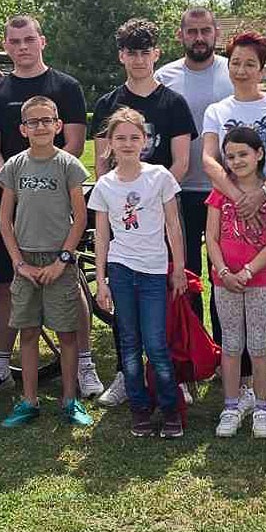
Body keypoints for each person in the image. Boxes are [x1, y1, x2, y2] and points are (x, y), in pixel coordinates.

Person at [0, 16, 89, 399]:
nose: (22, 47)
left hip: (57, 201)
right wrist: (15, 184)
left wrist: (49, 182)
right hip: (8, 198)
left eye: (28, 39)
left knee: (71, 282)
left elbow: (74, 143)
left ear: (42, 41)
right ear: (5, 46)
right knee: (7, 282)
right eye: (14, 41)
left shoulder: (66, 87)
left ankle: (84, 364)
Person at [90, 18, 197, 407]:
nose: (138, 59)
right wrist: (117, 198)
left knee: (177, 290)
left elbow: (181, 161)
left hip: (163, 210)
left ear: (156, 54)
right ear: (121, 56)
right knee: (125, 299)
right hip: (122, 217)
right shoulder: (107, 105)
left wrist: (152, 196)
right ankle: (126, 372)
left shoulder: (173, 103)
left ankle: (180, 373)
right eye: (131, 52)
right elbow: (101, 163)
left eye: (144, 52)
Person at [200, 31, 266, 427]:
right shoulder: (217, 110)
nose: (241, 70)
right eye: (235, 63)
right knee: (228, 313)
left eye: (250, 64)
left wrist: (264, 194)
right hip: (229, 213)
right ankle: (239, 391)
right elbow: (210, 160)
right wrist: (240, 199)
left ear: (262, 68)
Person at [89, 108, 187, 438]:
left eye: (134, 137)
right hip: (121, 269)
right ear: (110, 143)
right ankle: (139, 408)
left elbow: (173, 225)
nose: (128, 144)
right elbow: (102, 235)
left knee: (156, 344)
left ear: (145, 141)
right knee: (129, 343)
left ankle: (170, 408)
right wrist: (101, 281)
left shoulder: (159, 176)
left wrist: (178, 267)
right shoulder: (105, 185)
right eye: (120, 138)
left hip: (154, 271)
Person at [0, 95, 92, 427]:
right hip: (26, 260)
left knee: (67, 332)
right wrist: (18, 263)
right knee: (28, 331)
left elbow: (80, 218)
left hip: (58, 260)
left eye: (46, 120)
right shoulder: (15, 166)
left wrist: (62, 260)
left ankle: (70, 400)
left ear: (58, 125)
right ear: (23, 129)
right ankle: (29, 400)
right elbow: (4, 220)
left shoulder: (68, 165)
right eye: (33, 122)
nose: (40, 127)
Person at [207, 127, 266, 439]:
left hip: (261, 281)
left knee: (257, 344)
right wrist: (224, 272)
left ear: (259, 154)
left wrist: (248, 272)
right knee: (230, 344)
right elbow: (211, 238)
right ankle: (230, 406)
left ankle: (262, 409)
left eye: (243, 154)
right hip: (224, 280)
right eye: (230, 156)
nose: (237, 161)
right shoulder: (219, 193)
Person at [156, 7, 233, 333]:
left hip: (226, 190)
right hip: (180, 190)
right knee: (185, 274)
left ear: (216, 33)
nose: (199, 38)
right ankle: (194, 345)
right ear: (181, 35)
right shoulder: (164, 77)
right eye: (192, 31)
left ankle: (227, 347)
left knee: (224, 272)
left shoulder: (234, 71)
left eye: (205, 31)